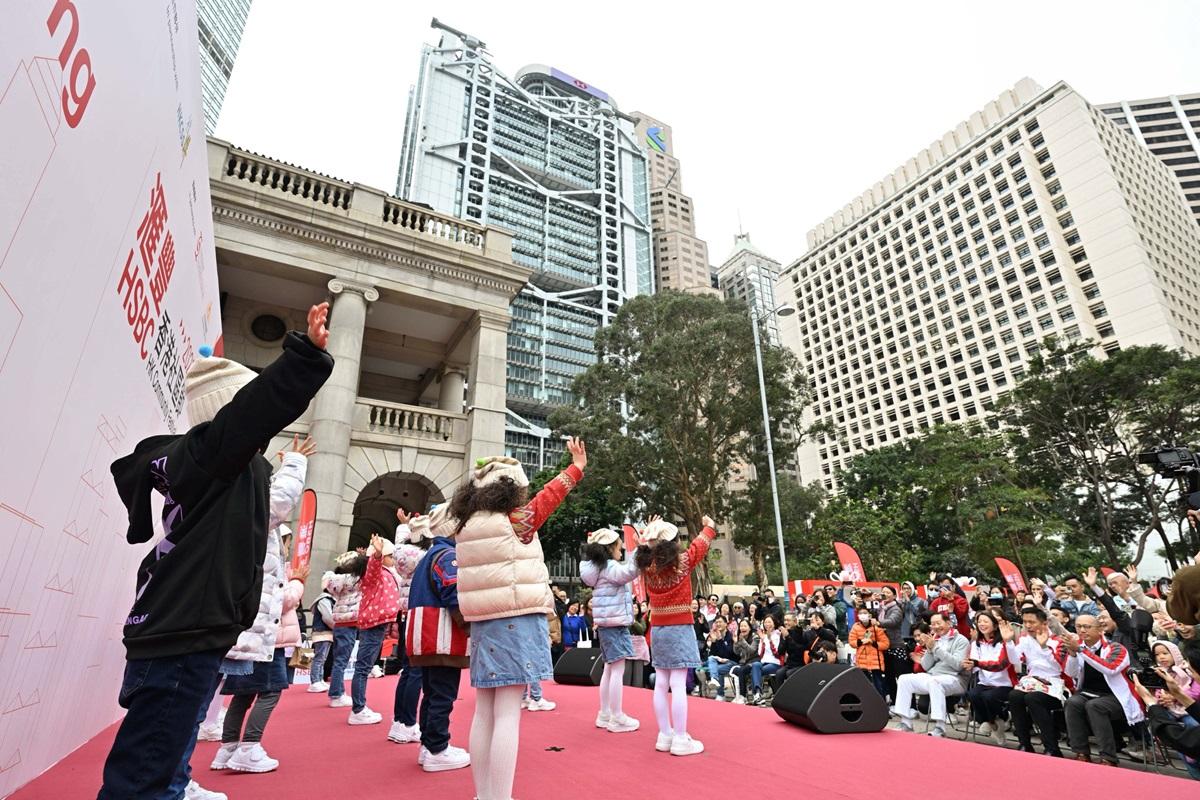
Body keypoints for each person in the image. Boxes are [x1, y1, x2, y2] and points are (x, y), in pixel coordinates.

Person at [97, 303, 334, 800]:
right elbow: (254, 411)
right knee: (144, 778)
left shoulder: (213, 467)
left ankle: (178, 786)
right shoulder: (211, 458)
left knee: (163, 752)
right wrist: (304, 358)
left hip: (186, 627)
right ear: (229, 416)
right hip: (184, 629)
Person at [453, 438, 587, 800]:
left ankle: (484, 795)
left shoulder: (464, 526)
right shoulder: (517, 520)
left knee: (484, 711)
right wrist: (576, 466)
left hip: (482, 622)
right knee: (509, 712)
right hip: (516, 616)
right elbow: (551, 495)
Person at [637, 514, 718, 755]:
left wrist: (649, 532)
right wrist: (709, 526)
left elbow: (643, 547)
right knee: (678, 684)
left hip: (658, 629)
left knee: (661, 683)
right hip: (680, 627)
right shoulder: (682, 563)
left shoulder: (646, 566)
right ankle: (681, 738)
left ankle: (665, 735)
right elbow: (701, 544)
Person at [406, 503, 472, 772]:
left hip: (426, 635)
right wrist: (469, 625)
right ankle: (438, 748)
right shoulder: (448, 555)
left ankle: (429, 744)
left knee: (432, 692)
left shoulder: (431, 554)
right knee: (443, 694)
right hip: (442, 636)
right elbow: (453, 591)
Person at [579, 526, 641, 732]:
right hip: (615, 625)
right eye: (618, 547)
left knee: (608, 669)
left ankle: (605, 713)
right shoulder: (610, 567)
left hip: (605, 625)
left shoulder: (596, 569)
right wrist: (639, 550)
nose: (621, 550)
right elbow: (630, 571)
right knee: (617, 670)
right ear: (609, 549)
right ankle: (617, 716)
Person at [1062, 613, 1143, 765]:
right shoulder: (1079, 648)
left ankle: (1108, 757)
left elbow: (1110, 668)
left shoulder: (1116, 648)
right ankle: (1081, 753)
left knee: (1095, 706)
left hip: (1116, 697)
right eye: (1079, 627)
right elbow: (1071, 673)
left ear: (1100, 630)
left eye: (1087, 626)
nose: (1082, 630)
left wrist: (1080, 650)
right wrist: (1072, 654)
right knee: (1072, 702)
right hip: (1088, 693)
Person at [340, 533, 403, 726]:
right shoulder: (374, 572)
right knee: (363, 668)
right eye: (390, 555)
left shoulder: (387, 572)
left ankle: (359, 707)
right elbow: (373, 568)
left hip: (380, 621)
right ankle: (358, 709)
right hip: (374, 622)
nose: (393, 559)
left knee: (364, 667)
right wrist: (376, 553)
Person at [387, 509, 433, 744]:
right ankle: (407, 723)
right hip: (419, 614)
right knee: (416, 671)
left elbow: (400, 541)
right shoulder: (426, 556)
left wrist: (405, 525)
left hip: (405, 615)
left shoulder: (403, 555)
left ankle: (399, 721)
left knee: (408, 670)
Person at [1000, 608, 1072, 757]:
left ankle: (1052, 747)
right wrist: (1008, 642)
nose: (1028, 625)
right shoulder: (1025, 639)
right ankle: (1024, 743)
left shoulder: (1058, 641)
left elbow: (1059, 667)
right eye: (1025, 622)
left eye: (1032, 622)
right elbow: (1015, 662)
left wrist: (1044, 646)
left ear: (1044, 623)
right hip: (1032, 682)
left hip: (1056, 685)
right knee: (1014, 696)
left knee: (1032, 698)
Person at [891, 611, 968, 737]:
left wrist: (936, 648)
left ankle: (940, 726)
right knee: (904, 679)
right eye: (933, 624)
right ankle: (906, 722)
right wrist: (930, 648)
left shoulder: (961, 640)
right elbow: (926, 666)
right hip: (933, 675)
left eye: (939, 623)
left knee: (934, 682)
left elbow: (958, 665)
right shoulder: (934, 639)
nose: (936, 627)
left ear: (948, 623)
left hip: (955, 678)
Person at [963, 610, 1015, 744]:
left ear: (995, 625)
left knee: (988, 697)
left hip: (1005, 684)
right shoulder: (976, 644)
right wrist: (968, 664)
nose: (982, 624)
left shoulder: (1004, 642)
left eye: (985, 621)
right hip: (984, 683)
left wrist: (977, 663)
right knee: (972, 694)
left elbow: (1000, 665)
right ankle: (992, 722)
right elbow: (974, 664)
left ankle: (1002, 717)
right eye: (979, 621)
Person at [322, 550, 363, 708]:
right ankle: (336, 694)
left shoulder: (335, 580)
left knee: (339, 660)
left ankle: (337, 692)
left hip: (340, 623)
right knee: (341, 661)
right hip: (349, 622)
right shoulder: (355, 580)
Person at [849, 606, 889, 698]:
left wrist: (872, 642)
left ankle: (881, 704)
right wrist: (860, 642)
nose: (863, 615)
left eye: (865, 613)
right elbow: (852, 642)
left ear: (869, 615)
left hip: (875, 661)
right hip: (862, 660)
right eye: (861, 613)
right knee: (864, 686)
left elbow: (885, 644)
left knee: (878, 685)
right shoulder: (855, 627)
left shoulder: (876, 628)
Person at [306, 587, 335, 694]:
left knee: (322, 658)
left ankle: (319, 679)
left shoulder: (327, 599)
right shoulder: (324, 600)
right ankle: (315, 681)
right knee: (319, 658)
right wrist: (335, 627)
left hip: (325, 632)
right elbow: (328, 617)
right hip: (322, 632)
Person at [749, 615, 783, 704]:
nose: (767, 624)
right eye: (765, 622)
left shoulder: (778, 634)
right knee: (755, 665)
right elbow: (760, 654)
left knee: (755, 670)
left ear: (774, 623)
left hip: (775, 663)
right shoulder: (763, 636)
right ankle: (758, 693)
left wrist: (769, 639)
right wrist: (763, 640)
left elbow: (777, 653)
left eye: (769, 622)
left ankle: (757, 694)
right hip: (764, 662)